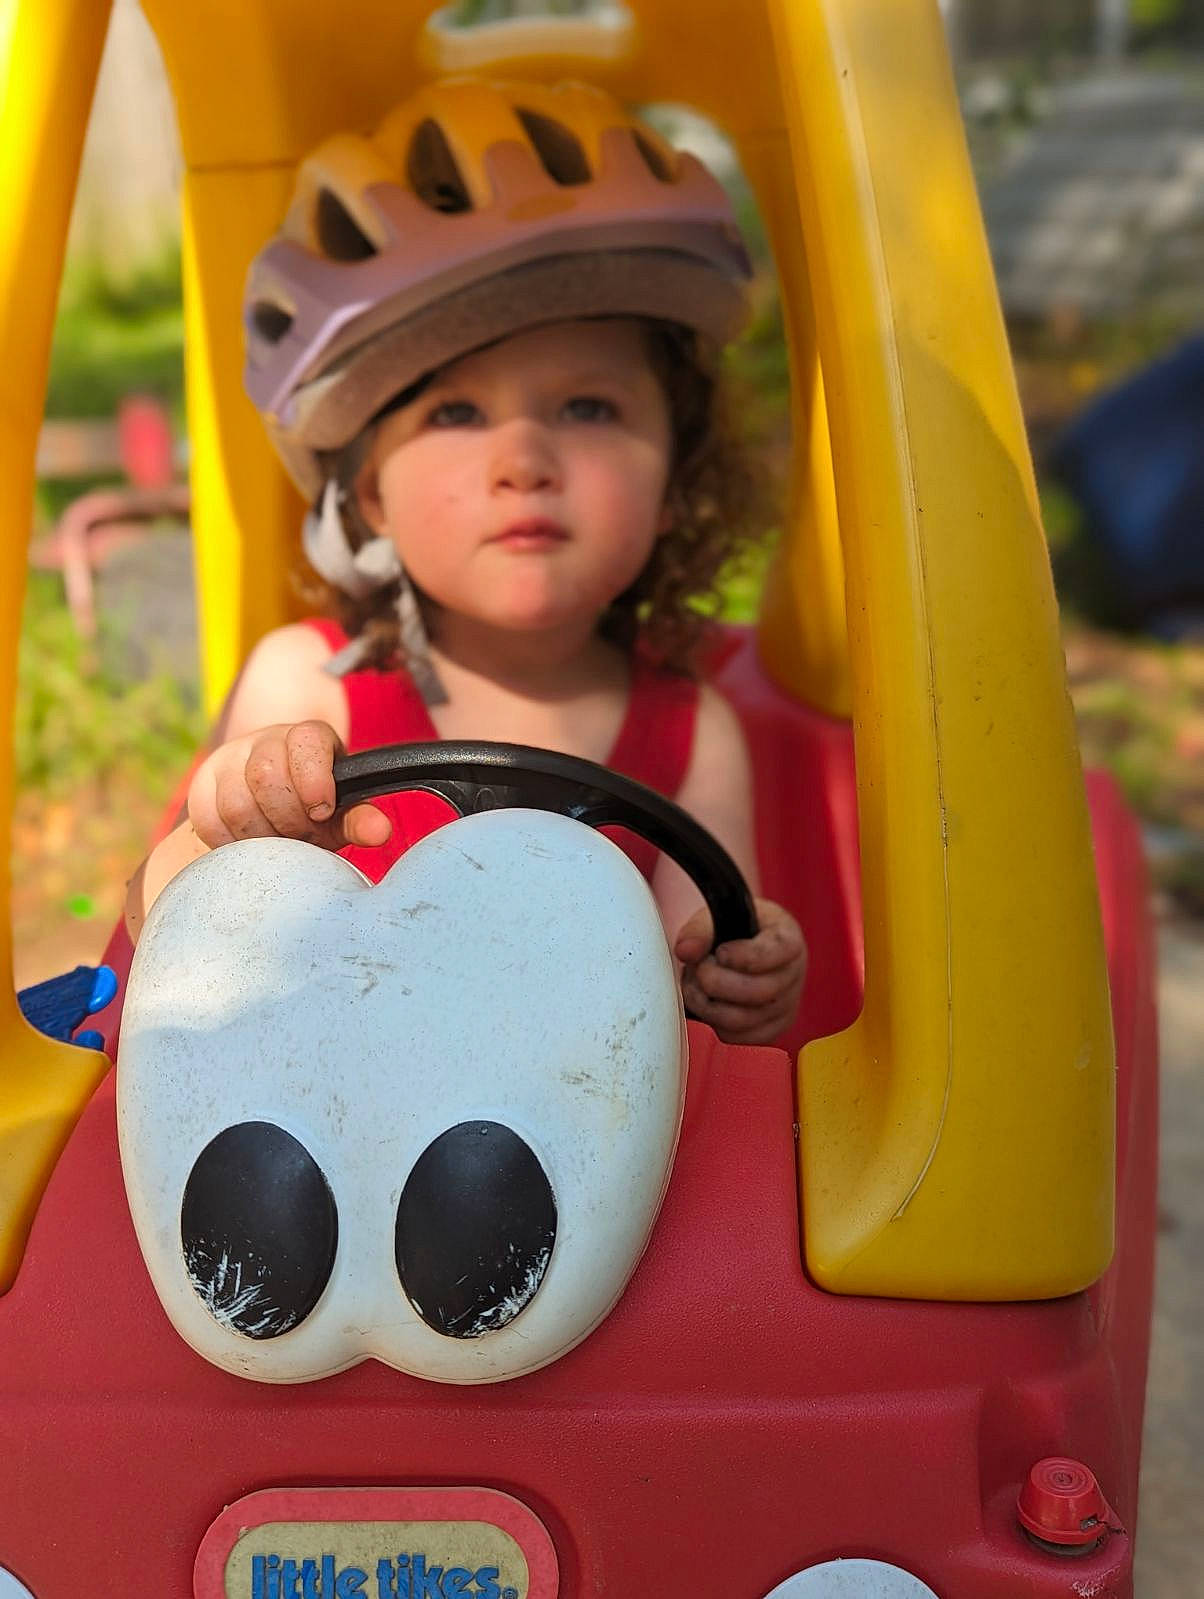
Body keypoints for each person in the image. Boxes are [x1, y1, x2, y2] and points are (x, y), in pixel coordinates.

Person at [126, 78, 805, 1045]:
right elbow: (170, 936)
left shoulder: (697, 733)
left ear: (674, 479)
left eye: (589, 407)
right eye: (456, 412)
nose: (523, 458)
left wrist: (747, 975)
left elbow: (700, 966)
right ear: (371, 497)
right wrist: (231, 817)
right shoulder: (311, 684)